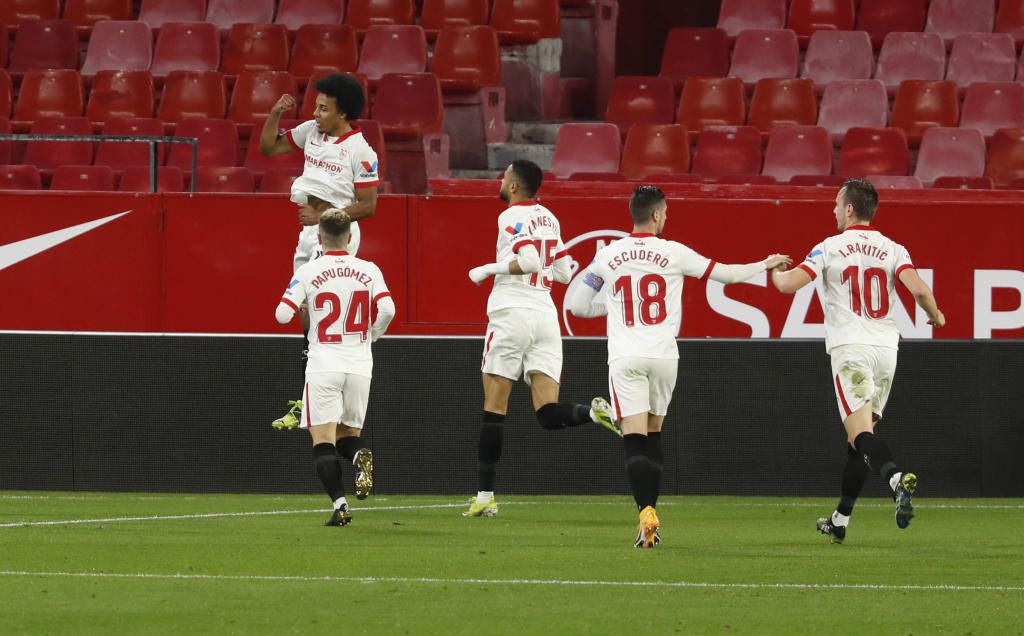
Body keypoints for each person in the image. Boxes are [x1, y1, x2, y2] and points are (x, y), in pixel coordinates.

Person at [566, 185, 791, 548]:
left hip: (626, 356)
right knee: (654, 436)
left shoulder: (608, 255)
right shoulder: (674, 252)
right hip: (664, 356)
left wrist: (612, 308)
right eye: (666, 212)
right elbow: (729, 275)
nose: (667, 217)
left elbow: (577, 305)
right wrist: (765, 263)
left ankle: (645, 513)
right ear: (656, 215)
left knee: (633, 439)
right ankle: (650, 516)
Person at [769, 178, 945, 543]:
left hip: (852, 349)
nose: (833, 210)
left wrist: (772, 268)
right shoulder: (894, 249)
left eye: (836, 204)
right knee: (859, 439)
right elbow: (920, 290)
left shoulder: (828, 248)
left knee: (861, 434)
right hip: (886, 350)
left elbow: (787, 286)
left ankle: (895, 478)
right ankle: (840, 519)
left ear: (850, 208)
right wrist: (936, 315)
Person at [463, 159, 620, 518]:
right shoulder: (550, 218)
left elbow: (531, 260)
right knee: (548, 413)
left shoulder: (510, 215)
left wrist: (488, 268)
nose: (501, 180)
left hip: (511, 313)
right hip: (546, 318)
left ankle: (485, 496)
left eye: (504, 176)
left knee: (494, 410)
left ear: (514, 186)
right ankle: (591, 415)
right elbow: (564, 271)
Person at [260, 72, 380, 430]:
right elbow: (269, 148)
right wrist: (274, 114)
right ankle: (312, 396)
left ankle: (317, 400)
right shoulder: (311, 132)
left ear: (343, 113)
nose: (316, 113)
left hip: (336, 233)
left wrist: (324, 216)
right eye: (316, 105)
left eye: (324, 108)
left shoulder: (360, 150)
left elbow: (369, 205)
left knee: (317, 311)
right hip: (308, 232)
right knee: (305, 315)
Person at [275, 209, 395, 526]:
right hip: (359, 363)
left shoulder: (309, 270)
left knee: (323, 438)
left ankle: (341, 505)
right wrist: (372, 334)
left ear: (319, 237)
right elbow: (388, 308)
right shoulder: (369, 269)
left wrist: (301, 305)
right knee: (349, 435)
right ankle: (359, 456)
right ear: (351, 238)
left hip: (323, 362)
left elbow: (282, 315)